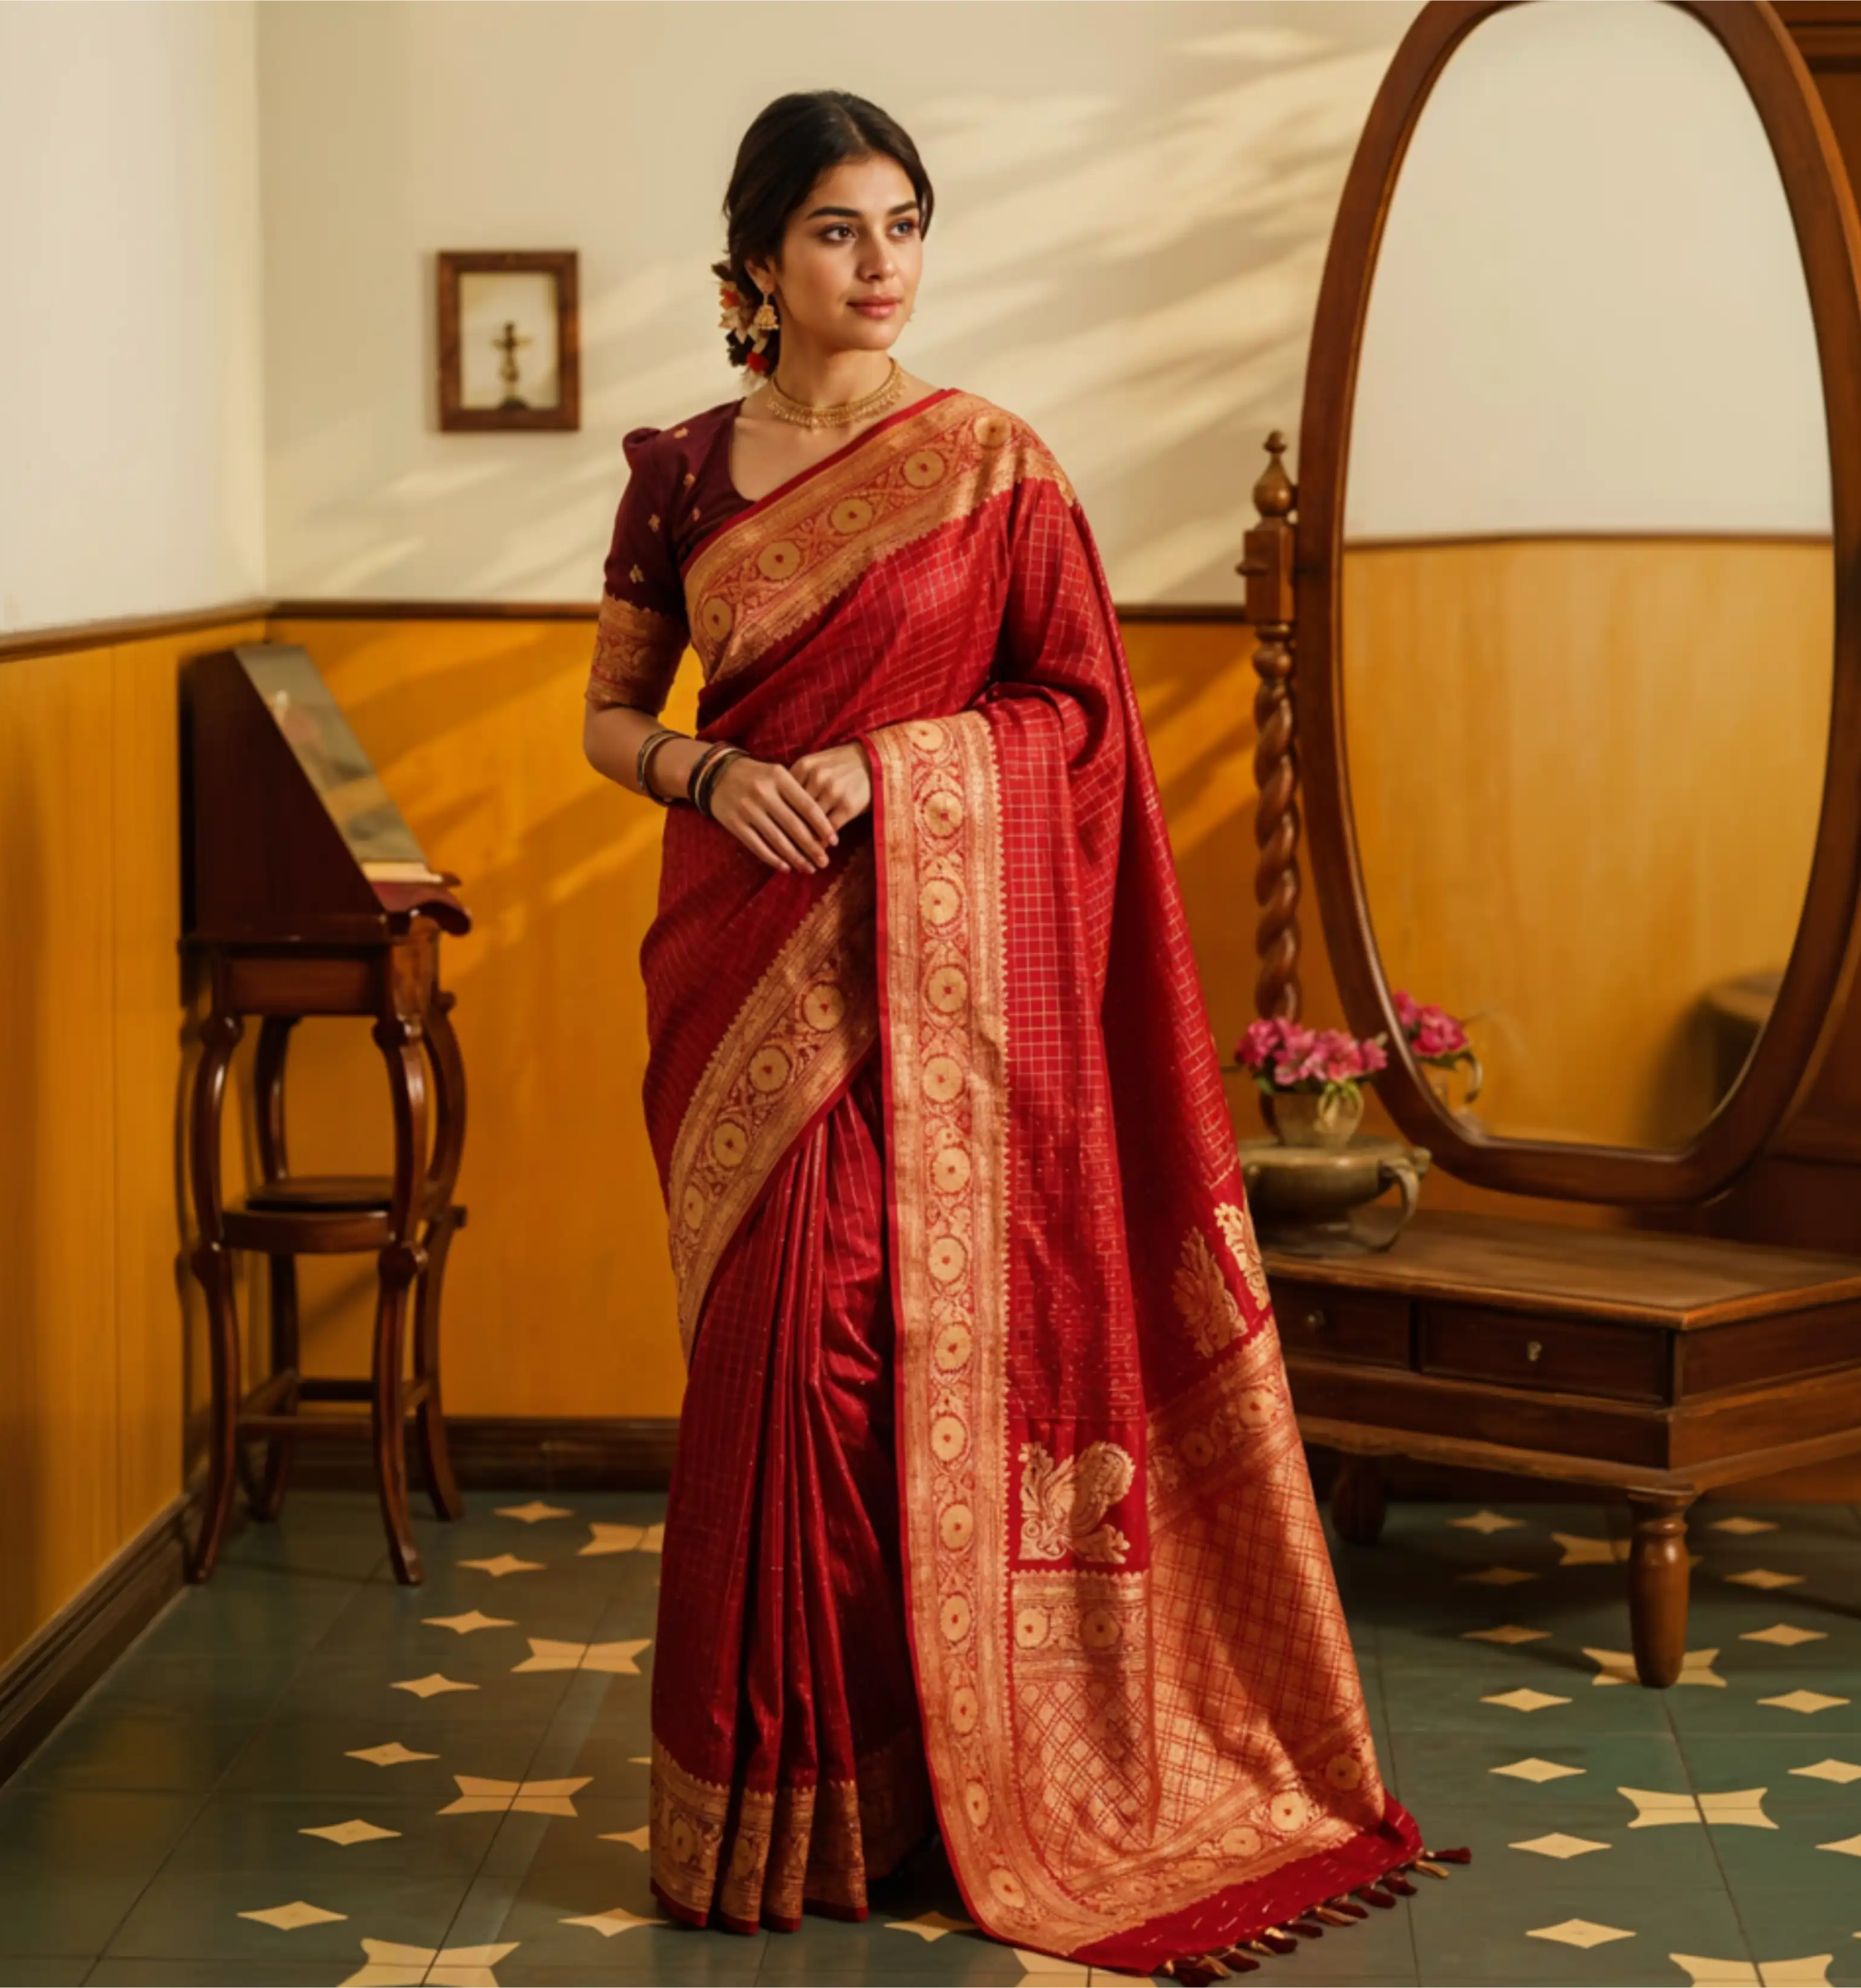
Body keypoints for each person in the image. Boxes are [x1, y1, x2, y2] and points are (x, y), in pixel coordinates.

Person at [581, 86, 1435, 1983]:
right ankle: (779, 1798)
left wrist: (895, 770)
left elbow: (1076, 712)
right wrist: (717, 776)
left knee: (880, 1365)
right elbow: (610, 717)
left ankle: (919, 1780)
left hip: (945, 991)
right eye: (834, 232)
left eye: (902, 226)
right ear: (755, 265)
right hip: (742, 965)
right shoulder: (685, 474)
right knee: (777, 1370)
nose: (878, 267)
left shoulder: (993, 466)